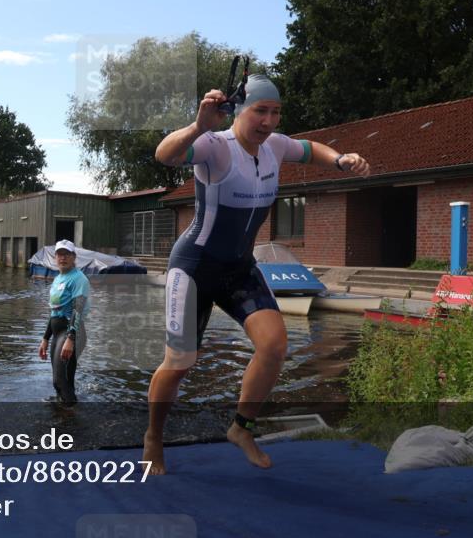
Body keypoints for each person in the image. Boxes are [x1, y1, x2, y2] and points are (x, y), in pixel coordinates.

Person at [143, 75, 370, 474]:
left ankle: (241, 428)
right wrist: (199, 125)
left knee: (275, 344)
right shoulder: (214, 146)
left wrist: (338, 159)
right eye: (259, 111)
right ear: (238, 112)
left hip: (238, 267)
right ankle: (153, 438)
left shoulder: (276, 146)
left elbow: (310, 148)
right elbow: (165, 155)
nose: (268, 121)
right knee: (179, 363)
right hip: (194, 266)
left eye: (275, 112)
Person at [38, 239, 90, 405]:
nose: (63, 258)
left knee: (62, 380)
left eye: (67, 254)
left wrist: (70, 338)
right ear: (55, 257)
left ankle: (70, 420)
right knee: (58, 382)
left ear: (74, 257)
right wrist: (45, 338)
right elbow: (54, 311)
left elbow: (78, 309)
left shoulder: (78, 279)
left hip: (71, 333)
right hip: (57, 333)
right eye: (60, 254)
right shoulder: (58, 279)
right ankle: (64, 412)